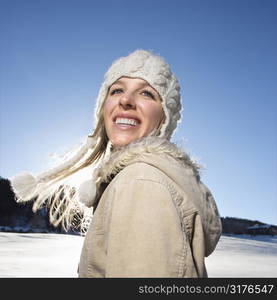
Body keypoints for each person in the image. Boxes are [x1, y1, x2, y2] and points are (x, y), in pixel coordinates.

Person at [10, 49, 222, 277]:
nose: (125, 100)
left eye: (147, 94)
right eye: (117, 90)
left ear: (164, 118)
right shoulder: (136, 178)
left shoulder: (141, 182)